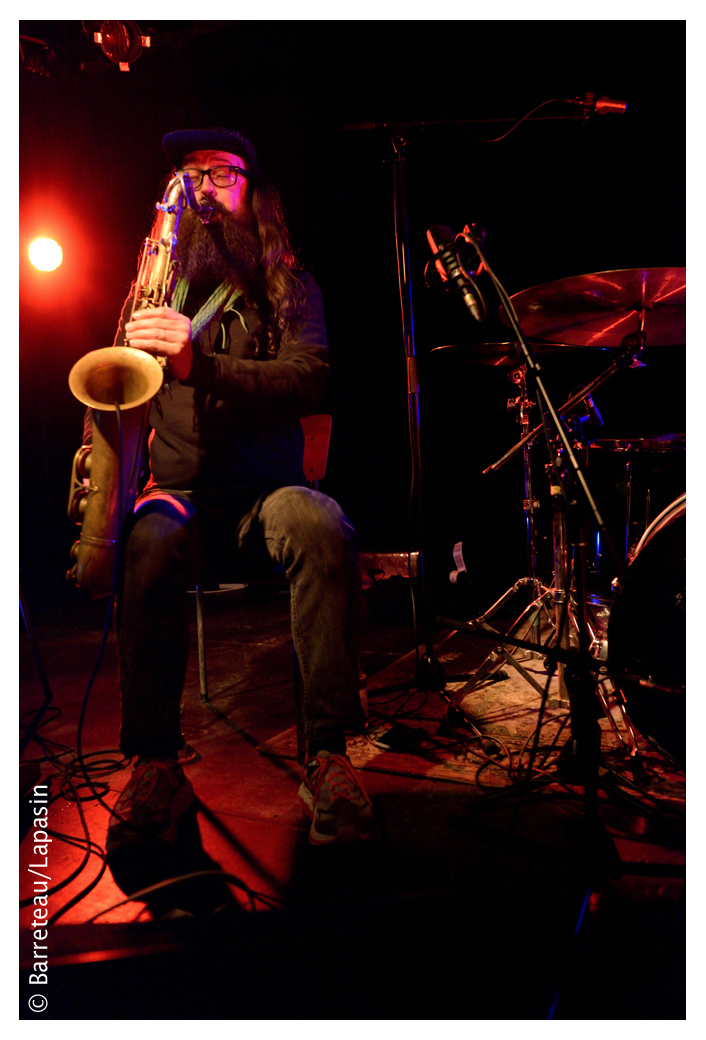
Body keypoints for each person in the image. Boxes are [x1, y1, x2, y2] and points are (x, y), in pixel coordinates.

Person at [102, 126, 374, 851]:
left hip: (265, 493)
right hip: (182, 491)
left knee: (322, 523)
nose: (204, 189)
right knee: (149, 539)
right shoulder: (154, 288)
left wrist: (201, 367)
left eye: (222, 174)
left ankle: (328, 755)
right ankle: (156, 765)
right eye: (191, 177)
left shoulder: (294, 286)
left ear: (256, 192)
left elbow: (308, 378)